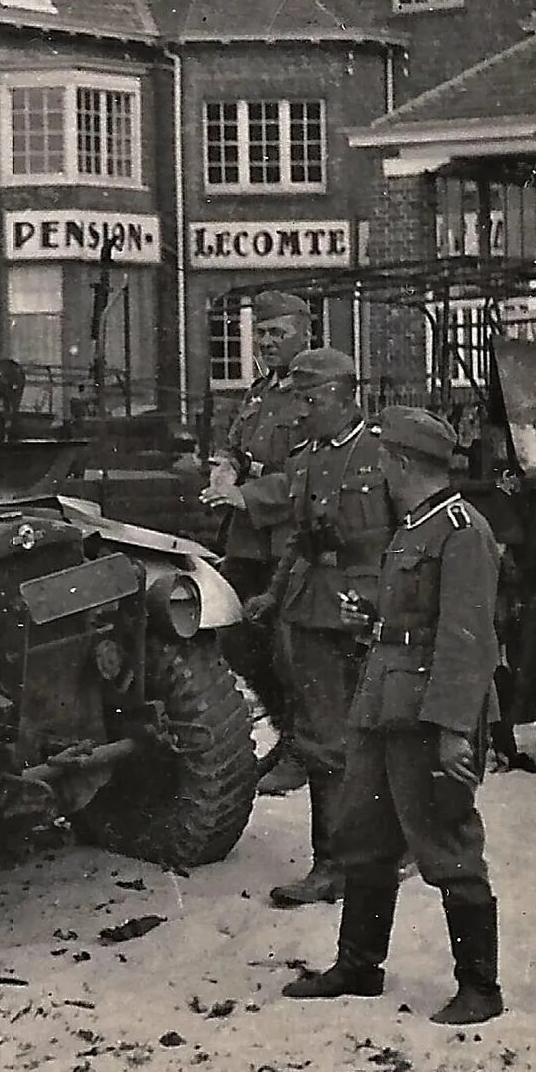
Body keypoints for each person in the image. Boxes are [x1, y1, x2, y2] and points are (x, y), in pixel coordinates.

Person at [283, 407, 506, 1026]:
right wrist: (371, 625)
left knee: (446, 842)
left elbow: (468, 641)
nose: (376, 471)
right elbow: (412, 621)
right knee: (366, 836)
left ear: (402, 464)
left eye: (382, 461)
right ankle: (359, 966)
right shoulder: (413, 528)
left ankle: (480, 989)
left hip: (425, 716)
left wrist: (455, 731)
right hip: (383, 705)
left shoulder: (461, 531)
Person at [264, 348, 392, 908]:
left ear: (345, 397)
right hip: (313, 607)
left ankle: (394, 847)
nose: (300, 412)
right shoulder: (305, 456)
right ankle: (330, 864)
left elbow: (410, 535)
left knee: (386, 733)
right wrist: (272, 594)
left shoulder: (384, 453)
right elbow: (298, 538)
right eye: (297, 400)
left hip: (370, 608)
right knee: (322, 740)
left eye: (311, 400)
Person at [201, 290, 315, 791]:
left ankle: (303, 750)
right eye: (262, 334)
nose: (266, 344)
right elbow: (232, 444)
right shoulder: (260, 391)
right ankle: (288, 733)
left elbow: (311, 476)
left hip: (291, 538)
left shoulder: (316, 392)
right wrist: (224, 468)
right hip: (249, 540)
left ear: (304, 334)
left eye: (277, 334)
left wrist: (245, 495)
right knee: (236, 635)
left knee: (291, 648)